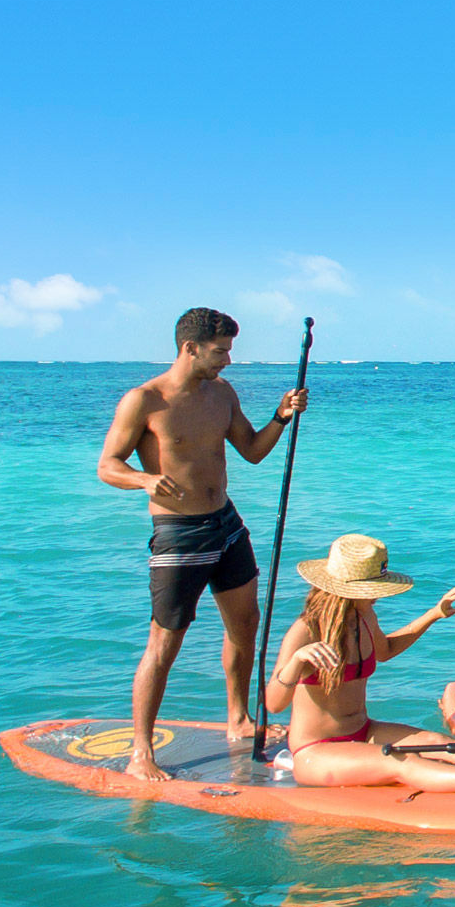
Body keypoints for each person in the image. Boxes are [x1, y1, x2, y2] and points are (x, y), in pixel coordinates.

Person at [97, 307, 309, 780]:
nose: (228, 361)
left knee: (246, 625)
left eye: (229, 351)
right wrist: (145, 480)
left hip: (226, 524)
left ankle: (237, 718)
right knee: (164, 644)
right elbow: (108, 465)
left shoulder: (222, 394)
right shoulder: (144, 401)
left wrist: (281, 416)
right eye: (221, 351)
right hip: (179, 535)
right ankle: (141, 752)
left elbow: (252, 452)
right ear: (190, 348)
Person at [267, 534, 455, 794]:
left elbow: (385, 650)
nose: (377, 598)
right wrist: (296, 662)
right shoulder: (306, 630)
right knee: (400, 761)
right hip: (316, 751)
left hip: (364, 730)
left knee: (438, 743)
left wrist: (433, 614)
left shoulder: (364, 617)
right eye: (373, 590)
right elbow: (274, 704)